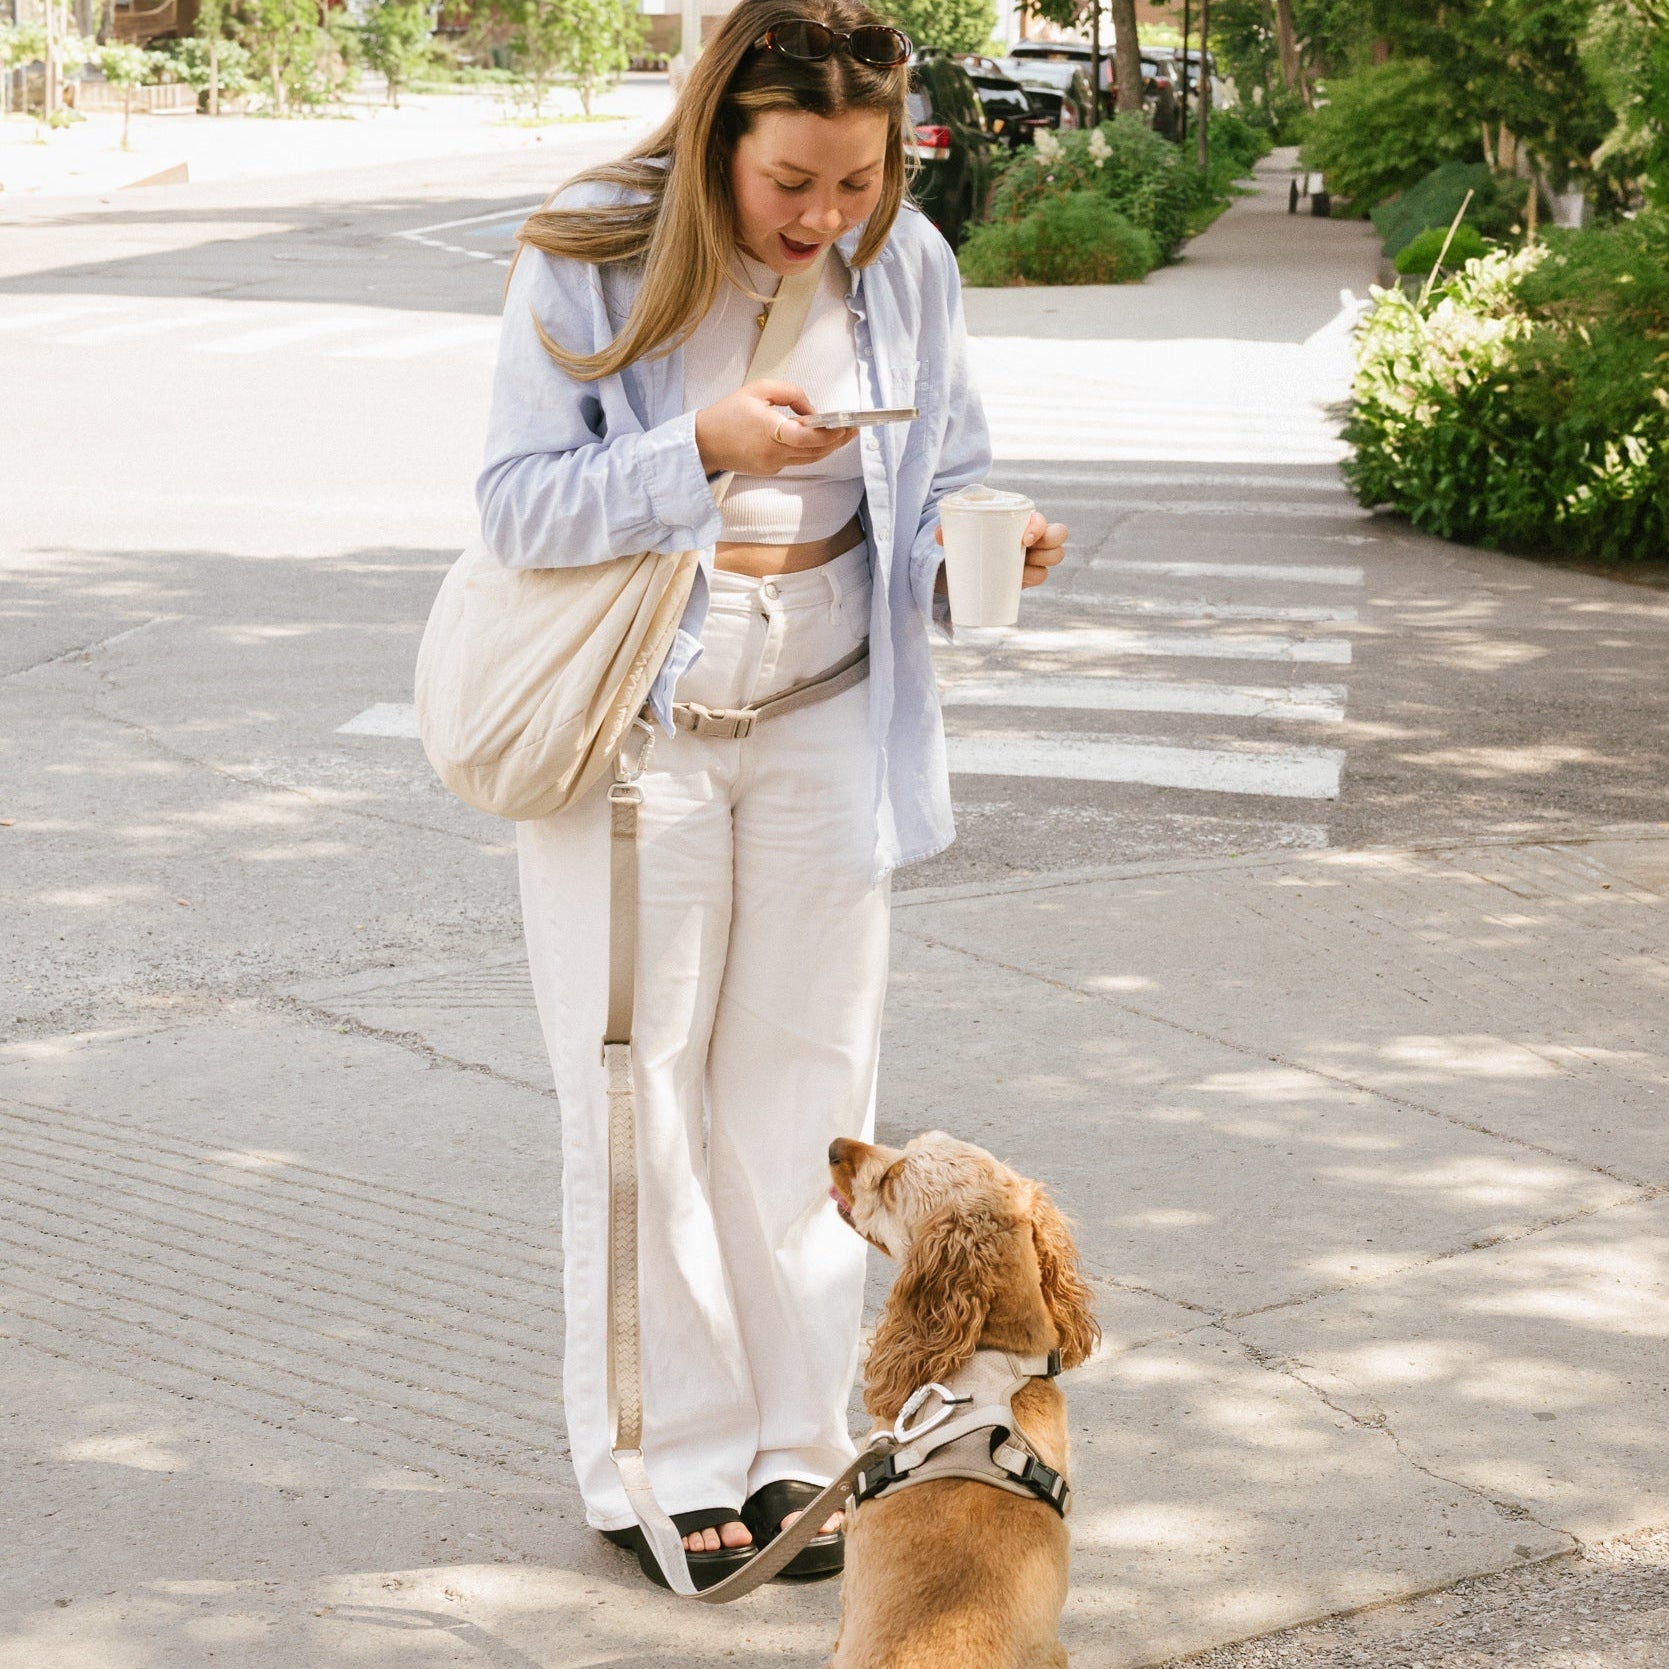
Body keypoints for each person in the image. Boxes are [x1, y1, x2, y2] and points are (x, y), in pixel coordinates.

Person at [477, 0, 1068, 1591]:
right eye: (790, 181)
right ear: (716, 132)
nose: (822, 218)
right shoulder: (591, 249)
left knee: (809, 1103)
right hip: (638, 727)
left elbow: (944, 467)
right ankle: (656, 1455)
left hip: (824, 719)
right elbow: (518, 505)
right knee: (639, 1097)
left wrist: (977, 547)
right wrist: (699, 449)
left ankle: (797, 1432)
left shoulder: (907, 266)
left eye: (856, 182)